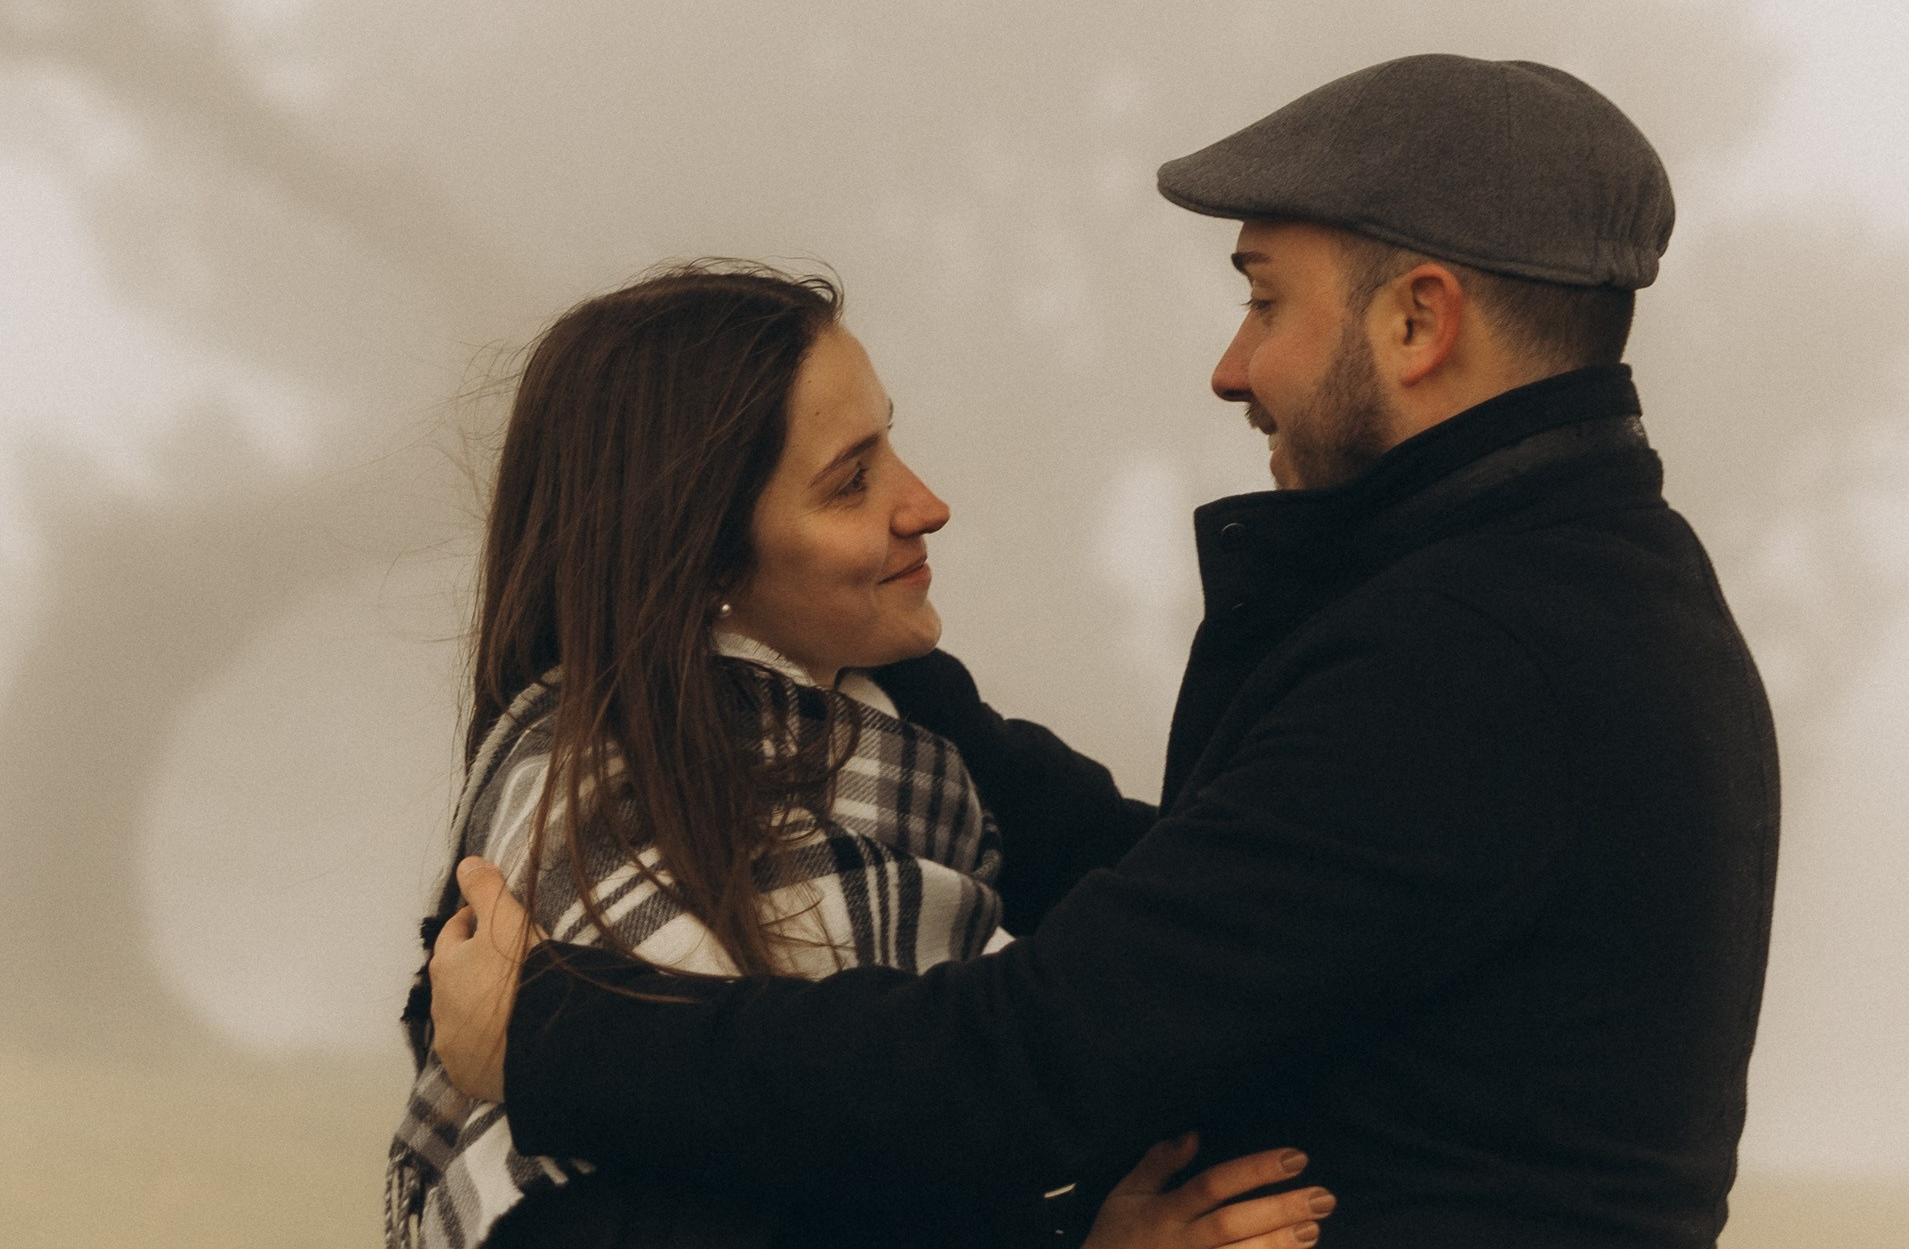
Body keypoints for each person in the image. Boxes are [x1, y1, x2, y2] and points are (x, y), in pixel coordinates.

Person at [429, 53, 1783, 1249]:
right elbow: (1205, 897)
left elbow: (1023, 1064)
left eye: (1265, 300)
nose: (1230, 365)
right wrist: (898, 663)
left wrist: (546, 1036)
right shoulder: (1581, 596)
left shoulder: (1474, 659)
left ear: (1418, 322)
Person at [391, 260, 1337, 1249]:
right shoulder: (591, 847)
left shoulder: (908, 723)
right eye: (851, 480)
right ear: (703, 553)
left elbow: (1165, 929)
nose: (925, 503)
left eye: (890, 443)